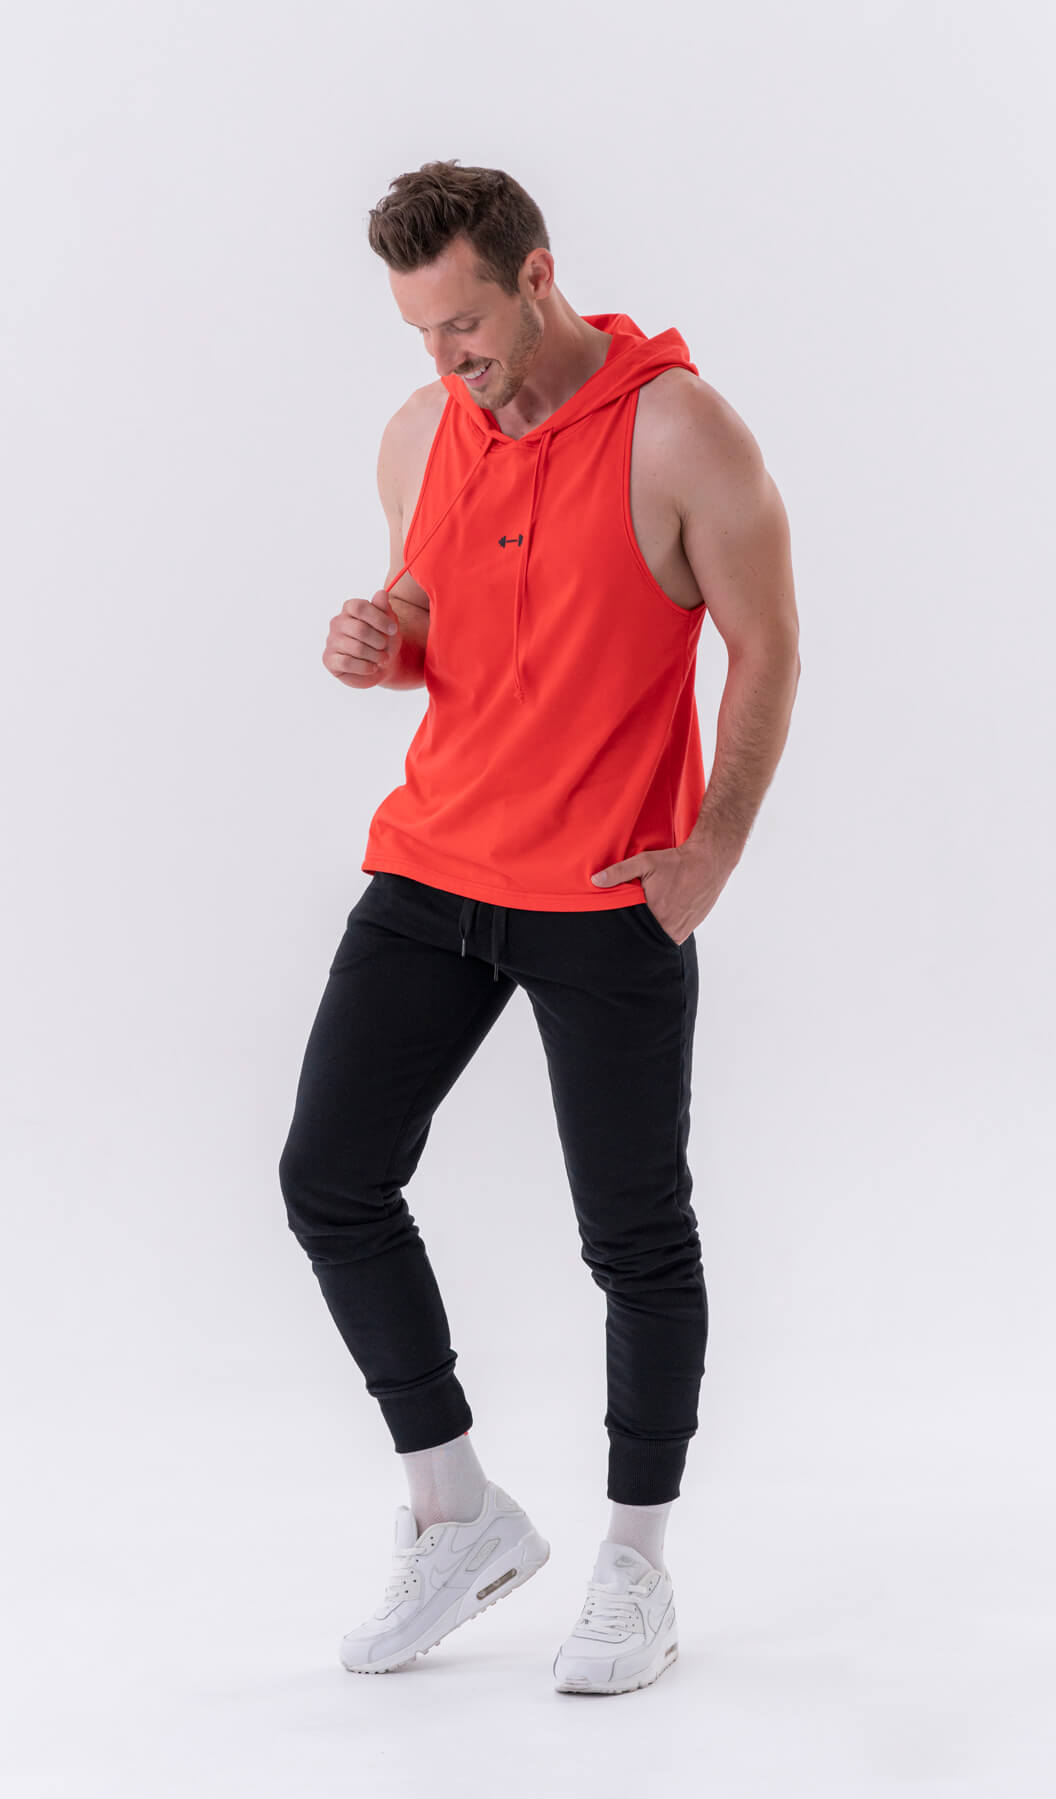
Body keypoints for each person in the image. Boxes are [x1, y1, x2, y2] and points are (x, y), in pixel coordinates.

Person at [278, 159, 800, 1696]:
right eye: (422, 334)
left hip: (603, 890)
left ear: (538, 277)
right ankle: (458, 1514)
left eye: (466, 326)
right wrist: (375, 643)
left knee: (634, 1237)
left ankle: (637, 1565)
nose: (449, 359)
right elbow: (432, 619)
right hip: (435, 868)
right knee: (330, 1179)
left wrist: (712, 851)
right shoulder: (420, 431)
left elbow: (769, 644)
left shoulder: (679, 432)